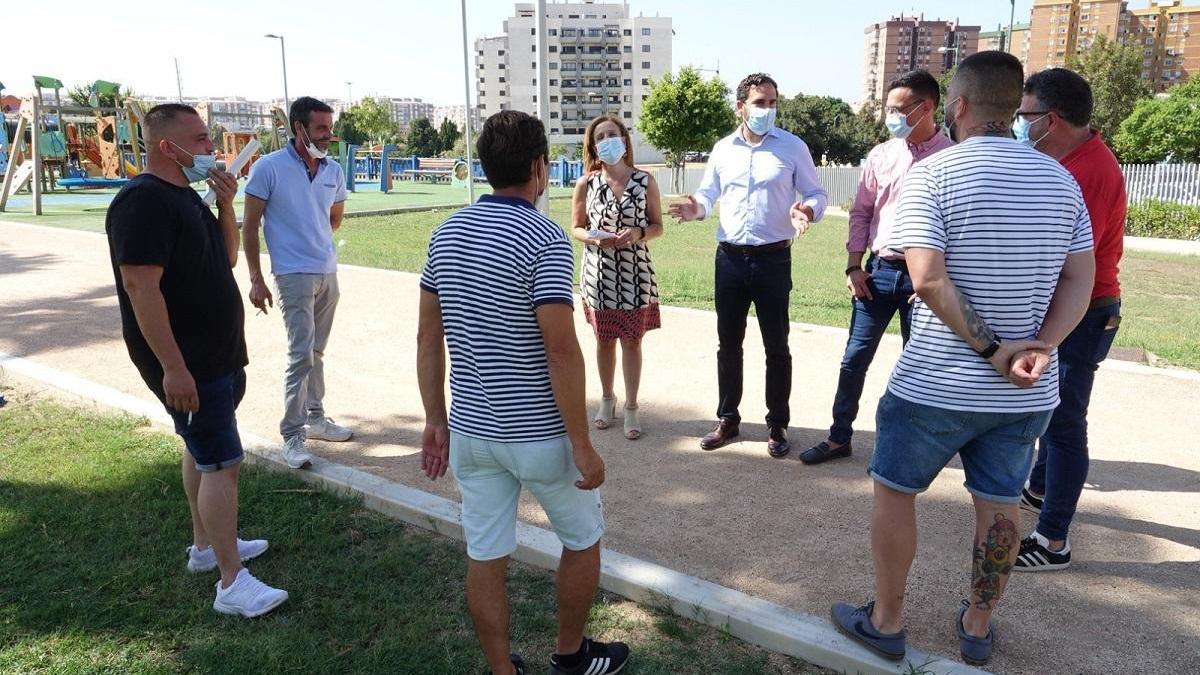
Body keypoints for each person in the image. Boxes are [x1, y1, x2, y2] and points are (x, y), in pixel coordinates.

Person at [830, 52, 1096, 666]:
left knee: (895, 494)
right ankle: (977, 626)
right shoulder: (1061, 181)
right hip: (1024, 392)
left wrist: (996, 351)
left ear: (958, 105)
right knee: (1000, 510)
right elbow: (1080, 280)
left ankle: (888, 619)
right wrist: (1039, 348)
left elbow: (925, 279)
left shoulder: (935, 174)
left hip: (935, 382)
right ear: (1016, 110)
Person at [417, 110, 628, 675]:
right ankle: (569, 655)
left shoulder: (445, 234)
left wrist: (435, 419)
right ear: (539, 166)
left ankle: (501, 669)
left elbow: (428, 340)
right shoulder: (544, 237)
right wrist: (582, 442)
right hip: (539, 435)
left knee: (486, 555)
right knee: (582, 539)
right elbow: (560, 349)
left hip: (472, 432)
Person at [105, 103, 288, 617]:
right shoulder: (142, 202)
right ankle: (233, 583)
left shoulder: (187, 197)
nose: (212, 149)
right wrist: (174, 367)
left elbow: (227, 258)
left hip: (217, 352)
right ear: (169, 146)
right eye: (204, 140)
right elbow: (142, 289)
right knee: (223, 463)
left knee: (202, 450)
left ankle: (206, 549)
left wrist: (226, 206)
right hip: (189, 361)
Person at [668, 73, 828, 458]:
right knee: (729, 344)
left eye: (772, 103)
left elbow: (816, 192)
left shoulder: (793, 147)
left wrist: (807, 208)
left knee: (777, 345)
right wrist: (697, 208)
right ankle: (728, 419)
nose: (767, 110)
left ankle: (777, 424)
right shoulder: (723, 149)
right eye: (760, 103)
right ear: (740, 106)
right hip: (730, 260)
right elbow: (708, 193)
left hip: (773, 257)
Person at [801, 70, 953, 465]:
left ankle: (912, 447)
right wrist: (853, 267)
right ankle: (838, 437)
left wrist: (935, 279)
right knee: (855, 357)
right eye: (888, 110)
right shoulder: (882, 155)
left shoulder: (952, 158)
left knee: (918, 364)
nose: (891, 117)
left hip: (927, 280)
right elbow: (862, 213)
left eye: (899, 110)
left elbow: (959, 225)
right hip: (879, 272)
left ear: (927, 108)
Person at [1012, 68, 1126, 572]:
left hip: (1084, 313)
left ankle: (1053, 540)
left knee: (1063, 424)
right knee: (1055, 418)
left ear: (1049, 120)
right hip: (1078, 308)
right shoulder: (1070, 161)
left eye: (1023, 115)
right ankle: (1040, 488)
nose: (1018, 124)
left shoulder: (1087, 173)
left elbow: (1069, 262)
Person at [243, 96, 352, 470]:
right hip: (291, 274)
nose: (328, 135)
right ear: (299, 127)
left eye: (329, 127)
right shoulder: (268, 169)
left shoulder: (332, 171)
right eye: (321, 128)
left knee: (317, 351)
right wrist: (256, 279)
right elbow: (250, 226)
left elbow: (334, 218)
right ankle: (292, 435)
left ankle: (317, 417)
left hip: (327, 272)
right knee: (300, 353)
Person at [570, 114, 664, 440]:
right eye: (601, 137)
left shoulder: (645, 180)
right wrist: (594, 238)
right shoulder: (586, 183)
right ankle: (607, 399)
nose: (608, 140)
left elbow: (657, 226)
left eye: (614, 134)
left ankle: (632, 406)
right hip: (599, 274)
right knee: (604, 339)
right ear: (594, 147)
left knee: (633, 341)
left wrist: (638, 232)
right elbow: (576, 227)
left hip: (636, 273)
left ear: (624, 141)